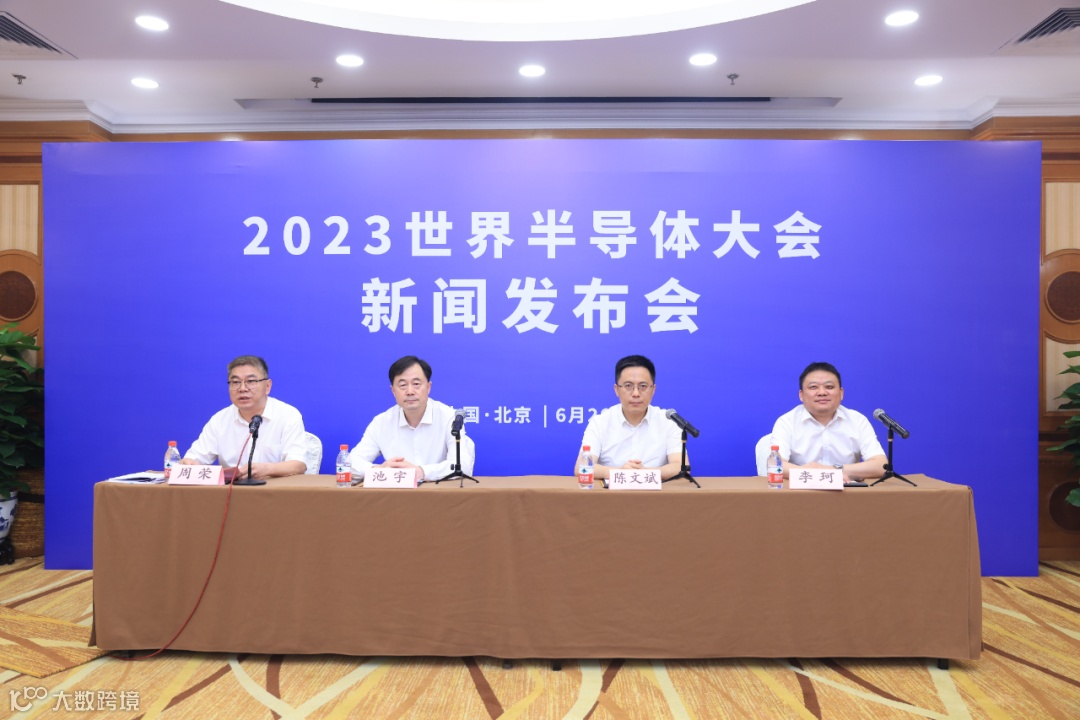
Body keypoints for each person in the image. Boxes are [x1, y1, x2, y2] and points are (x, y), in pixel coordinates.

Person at [349, 355, 474, 482]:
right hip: (396, 493)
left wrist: (421, 472)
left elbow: (463, 465)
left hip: (437, 492)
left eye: (416, 384)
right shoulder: (381, 422)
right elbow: (350, 463)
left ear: (428, 387)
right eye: (403, 385)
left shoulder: (449, 418)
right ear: (393, 391)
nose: (410, 391)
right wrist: (379, 470)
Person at [182, 355, 308, 480]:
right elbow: (194, 459)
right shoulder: (219, 420)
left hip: (275, 489)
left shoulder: (288, 415)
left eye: (251, 381)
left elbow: (298, 464)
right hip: (232, 490)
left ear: (267, 386)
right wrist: (189, 463)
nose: (242, 388)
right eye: (236, 382)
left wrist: (267, 469)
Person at [771, 361, 886, 481]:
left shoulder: (857, 420)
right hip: (802, 490)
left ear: (841, 393)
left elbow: (881, 465)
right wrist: (816, 474)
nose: (822, 393)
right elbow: (775, 465)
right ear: (801, 395)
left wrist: (831, 470)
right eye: (813, 387)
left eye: (829, 387)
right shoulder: (787, 422)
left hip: (847, 490)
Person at [578, 355, 683, 481]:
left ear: (653, 390)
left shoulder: (668, 421)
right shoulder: (600, 422)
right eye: (628, 386)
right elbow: (582, 467)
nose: (636, 393)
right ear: (616, 390)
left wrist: (647, 473)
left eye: (643, 386)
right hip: (611, 492)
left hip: (655, 491)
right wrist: (620, 472)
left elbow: (680, 465)